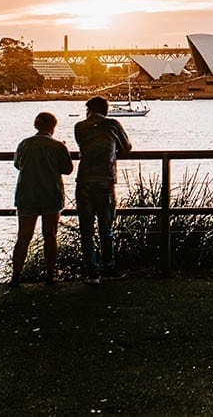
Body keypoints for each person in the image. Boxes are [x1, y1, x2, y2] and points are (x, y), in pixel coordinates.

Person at [10, 112, 74, 287]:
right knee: (50, 235)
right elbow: (68, 169)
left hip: (26, 194)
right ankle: (50, 275)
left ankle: (16, 275)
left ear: (35, 125)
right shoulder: (58, 146)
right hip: (51, 194)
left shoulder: (24, 144)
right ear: (53, 126)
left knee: (23, 236)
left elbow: (17, 164)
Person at [74, 96, 132, 284]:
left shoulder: (79, 127)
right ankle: (108, 268)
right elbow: (127, 147)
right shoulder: (112, 125)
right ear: (106, 110)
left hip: (83, 181)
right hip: (105, 181)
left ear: (88, 110)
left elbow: (84, 149)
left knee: (86, 230)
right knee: (105, 228)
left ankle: (91, 272)